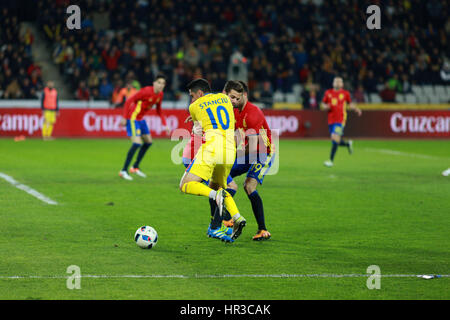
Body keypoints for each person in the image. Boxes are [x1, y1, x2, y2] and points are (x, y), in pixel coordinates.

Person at [179, 78, 246, 242]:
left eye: (192, 95)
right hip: (230, 151)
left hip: (212, 148)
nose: (192, 99)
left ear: (200, 93)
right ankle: (237, 217)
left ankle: (215, 197)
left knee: (185, 185)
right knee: (222, 187)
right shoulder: (225, 99)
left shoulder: (194, 106)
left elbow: (199, 129)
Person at [216, 80, 274, 241]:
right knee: (223, 177)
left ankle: (263, 229)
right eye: (231, 97)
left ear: (244, 95)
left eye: (236, 97)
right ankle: (226, 219)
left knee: (249, 186)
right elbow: (235, 136)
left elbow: (255, 146)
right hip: (250, 152)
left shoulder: (253, 113)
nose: (233, 100)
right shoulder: (234, 111)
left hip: (264, 152)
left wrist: (232, 154)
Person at [119, 74, 169, 180]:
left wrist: (165, 124)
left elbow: (159, 110)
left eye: (163, 83)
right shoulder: (146, 91)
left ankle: (135, 167)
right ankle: (123, 170)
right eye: (159, 82)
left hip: (141, 119)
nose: (161, 85)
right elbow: (129, 101)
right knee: (137, 143)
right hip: (133, 118)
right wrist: (124, 117)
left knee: (148, 142)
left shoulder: (160, 95)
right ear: (154, 83)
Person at [321, 77, 362, 167]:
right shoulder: (328, 93)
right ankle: (348, 144)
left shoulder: (345, 93)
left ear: (342, 84)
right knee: (335, 140)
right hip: (331, 120)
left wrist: (357, 109)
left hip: (340, 119)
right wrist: (324, 106)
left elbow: (350, 104)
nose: (338, 83)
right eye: (336, 81)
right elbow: (323, 104)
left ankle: (331, 161)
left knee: (334, 136)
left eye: (340, 82)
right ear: (333, 83)